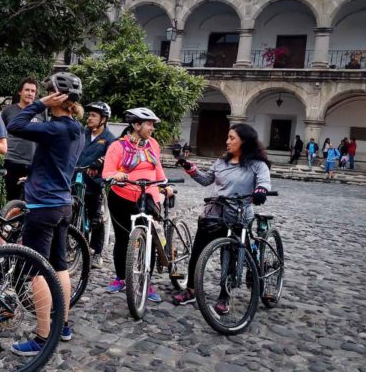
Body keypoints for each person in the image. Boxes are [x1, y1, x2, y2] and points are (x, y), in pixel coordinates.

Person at [6, 72, 84, 356]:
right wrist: (37, 175)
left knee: (37, 273)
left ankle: (41, 337)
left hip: (42, 208)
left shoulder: (55, 128)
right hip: (62, 203)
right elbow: (59, 162)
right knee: (60, 267)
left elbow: (15, 124)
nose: (45, 95)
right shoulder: (76, 128)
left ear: (58, 97)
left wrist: (39, 103)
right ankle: (62, 325)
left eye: (49, 92)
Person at [171, 123, 271, 313]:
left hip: (238, 216)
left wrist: (260, 190)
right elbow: (205, 180)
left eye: (232, 138)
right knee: (198, 252)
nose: (227, 141)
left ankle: (224, 295)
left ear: (245, 141)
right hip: (214, 214)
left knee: (231, 256)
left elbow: (264, 182)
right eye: (228, 137)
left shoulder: (257, 165)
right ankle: (190, 290)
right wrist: (186, 164)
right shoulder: (221, 163)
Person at [102, 108, 173, 302]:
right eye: (149, 124)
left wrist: (166, 185)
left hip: (147, 198)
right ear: (136, 125)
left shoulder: (153, 145)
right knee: (123, 238)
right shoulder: (118, 146)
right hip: (121, 197)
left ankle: (146, 281)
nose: (152, 128)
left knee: (149, 238)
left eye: (152, 124)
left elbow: (157, 169)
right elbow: (107, 172)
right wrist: (116, 175)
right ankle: (121, 278)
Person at [76, 101, 115, 269]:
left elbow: (113, 158)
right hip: (75, 179)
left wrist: (100, 163)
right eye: (89, 114)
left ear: (103, 119)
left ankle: (96, 252)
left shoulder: (109, 139)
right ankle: (77, 244)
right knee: (72, 213)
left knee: (96, 219)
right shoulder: (81, 133)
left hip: (94, 183)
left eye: (94, 115)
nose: (89, 118)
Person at [0, 77, 44, 201]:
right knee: (13, 200)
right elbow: (1, 135)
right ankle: (12, 221)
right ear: (20, 92)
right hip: (13, 161)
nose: (30, 93)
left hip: (34, 163)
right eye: (27, 90)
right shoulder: (8, 111)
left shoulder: (41, 112)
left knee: (33, 200)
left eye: (33, 91)